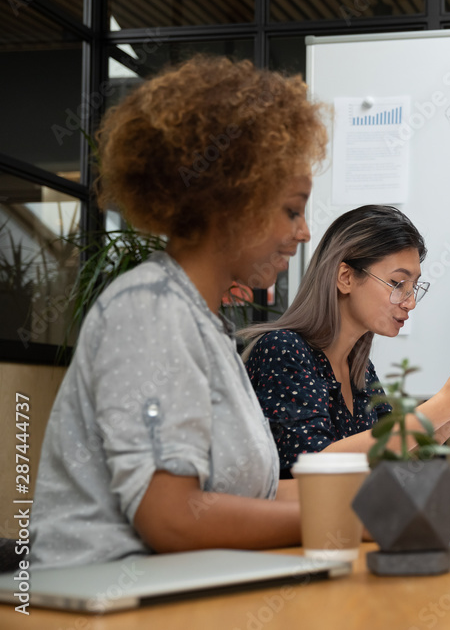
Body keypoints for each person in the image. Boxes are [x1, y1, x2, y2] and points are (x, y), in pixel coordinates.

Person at [31, 56, 326, 567]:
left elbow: (249, 500)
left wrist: (364, 501)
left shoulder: (203, 320)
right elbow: (171, 518)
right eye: (292, 210)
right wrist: (340, 520)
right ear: (232, 202)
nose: (303, 233)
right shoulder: (148, 310)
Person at [240, 205, 450, 478]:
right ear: (345, 277)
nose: (410, 302)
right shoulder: (282, 350)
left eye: (414, 287)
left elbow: (392, 464)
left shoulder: (358, 366)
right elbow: (316, 469)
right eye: (397, 284)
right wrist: (445, 405)